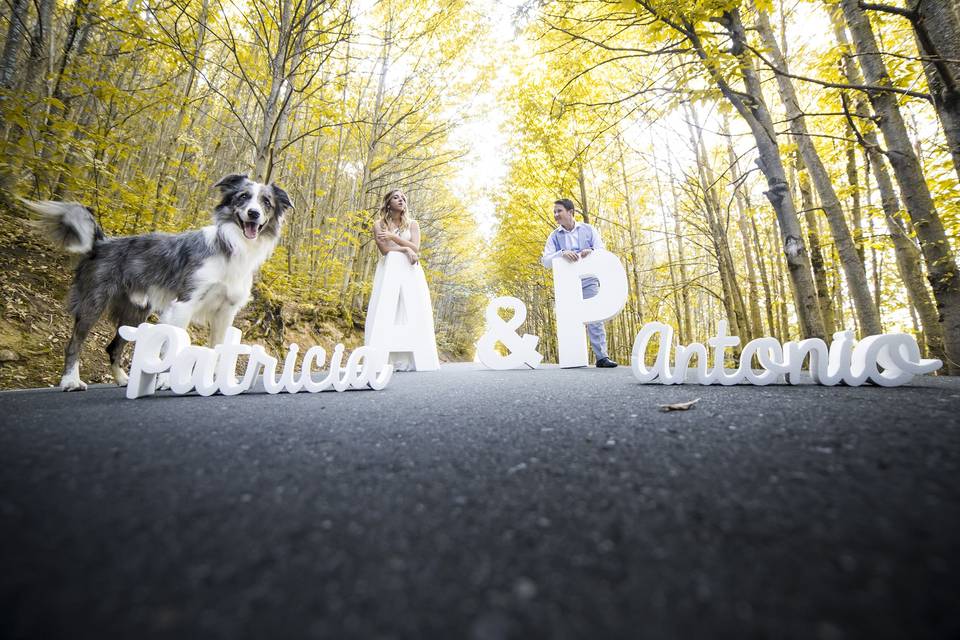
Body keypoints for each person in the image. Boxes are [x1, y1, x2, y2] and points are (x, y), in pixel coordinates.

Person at [541, 198, 618, 368]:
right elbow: (546, 261)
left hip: (588, 280)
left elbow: (601, 250)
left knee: (594, 318)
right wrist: (561, 253)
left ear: (570, 212)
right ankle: (573, 358)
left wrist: (591, 251)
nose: (556, 215)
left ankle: (602, 357)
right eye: (554, 212)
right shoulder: (554, 236)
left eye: (559, 211)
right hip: (566, 285)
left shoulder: (588, 230)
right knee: (569, 319)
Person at [364, 189, 436, 371]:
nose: (401, 200)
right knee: (389, 309)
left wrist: (394, 237)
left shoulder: (412, 224)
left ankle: (412, 358)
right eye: (396, 197)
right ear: (388, 202)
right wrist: (404, 250)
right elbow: (385, 250)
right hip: (389, 271)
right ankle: (385, 359)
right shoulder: (379, 224)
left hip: (410, 272)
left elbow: (416, 248)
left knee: (409, 308)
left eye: (403, 198)